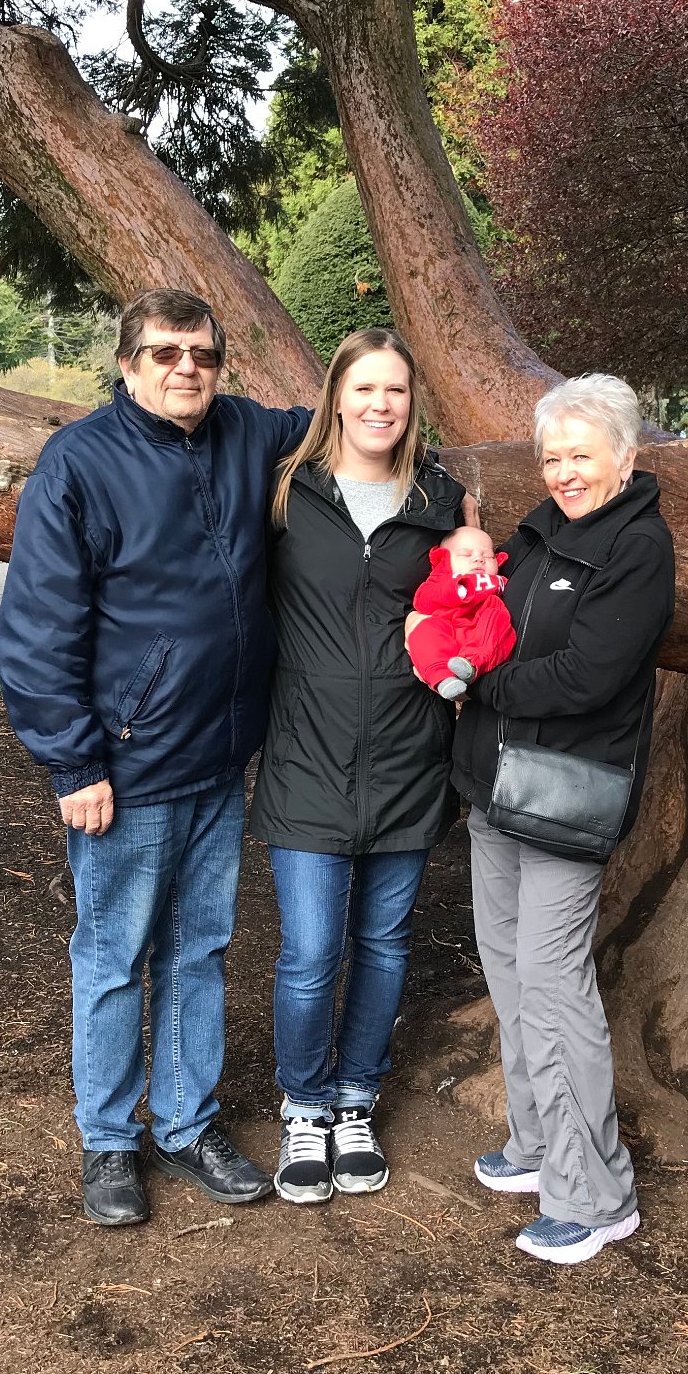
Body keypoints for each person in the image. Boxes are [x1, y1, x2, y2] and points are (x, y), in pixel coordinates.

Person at [0, 288, 310, 1229]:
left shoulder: (248, 432)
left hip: (221, 756)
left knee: (199, 950)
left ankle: (185, 1124)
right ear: (128, 364)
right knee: (114, 958)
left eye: (202, 354)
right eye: (166, 353)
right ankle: (107, 1139)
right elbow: (39, 628)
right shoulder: (81, 463)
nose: (187, 369)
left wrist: (458, 499)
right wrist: (73, 763)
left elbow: (350, 422)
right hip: (126, 767)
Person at [450, 373, 675, 1267]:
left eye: (582, 455)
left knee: (552, 984)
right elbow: (487, 613)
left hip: (564, 796)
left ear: (626, 457)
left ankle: (595, 1196)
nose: (565, 472)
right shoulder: (542, 531)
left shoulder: (638, 547)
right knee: (511, 975)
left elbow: (589, 675)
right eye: (553, 457)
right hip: (496, 788)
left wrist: (479, 683)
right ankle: (540, 1141)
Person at [247, 329, 470, 1204]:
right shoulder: (285, 491)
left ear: (414, 405)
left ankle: (354, 1100)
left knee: (383, 944)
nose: (381, 405)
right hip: (306, 754)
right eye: (366, 388)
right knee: (310, 952)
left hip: (411, 755)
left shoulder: (441, 501)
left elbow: (467, 608)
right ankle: (304, 1106)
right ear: (335, 395)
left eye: (397, 391)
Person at [405, 525, 515, 700]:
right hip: (447, 636)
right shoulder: (439, 581)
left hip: (480, 640)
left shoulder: (500, 584)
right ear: (444, 560)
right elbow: (422, 602)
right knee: (425, 627)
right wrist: (459, 589)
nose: (479, 559)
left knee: (497, 616)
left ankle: (471, 664)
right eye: (466, 554)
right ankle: (443, 678)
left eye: (488, 555)